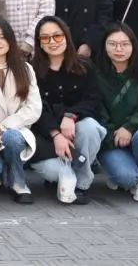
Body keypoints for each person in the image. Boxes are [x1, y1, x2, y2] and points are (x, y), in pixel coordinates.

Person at [28, 16, 106, 205]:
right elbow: (34, 108)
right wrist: (55, 134)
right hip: (46, 137)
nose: (52, 42)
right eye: (45, 38)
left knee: (90, 128)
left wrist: (71, 116)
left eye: (57, 36)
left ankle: (82, 184)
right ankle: (59, 177)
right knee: (52, 171)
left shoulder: (84, 66)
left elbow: (93, 100)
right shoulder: (32, 70)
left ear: (66, 36)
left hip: (75, 129)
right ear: (39, 42)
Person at [95, 23, 138, 203]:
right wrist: (113, 135)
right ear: (104, 46)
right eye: (112, 44)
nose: (119, 49)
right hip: (110, 143)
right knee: (126, 177)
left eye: (125, 44)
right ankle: (125, 176)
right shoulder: (95, 76)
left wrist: (130, 127)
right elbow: (94, 112)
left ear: (133, 46)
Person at [0, 18, 42, 204]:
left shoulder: (25, 69)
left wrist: (2, 127)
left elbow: (34, 107)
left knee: (12, 137)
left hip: (16, 133)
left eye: (2, 37)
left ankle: (18, 182)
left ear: (10, 40)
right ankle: (1, 173)